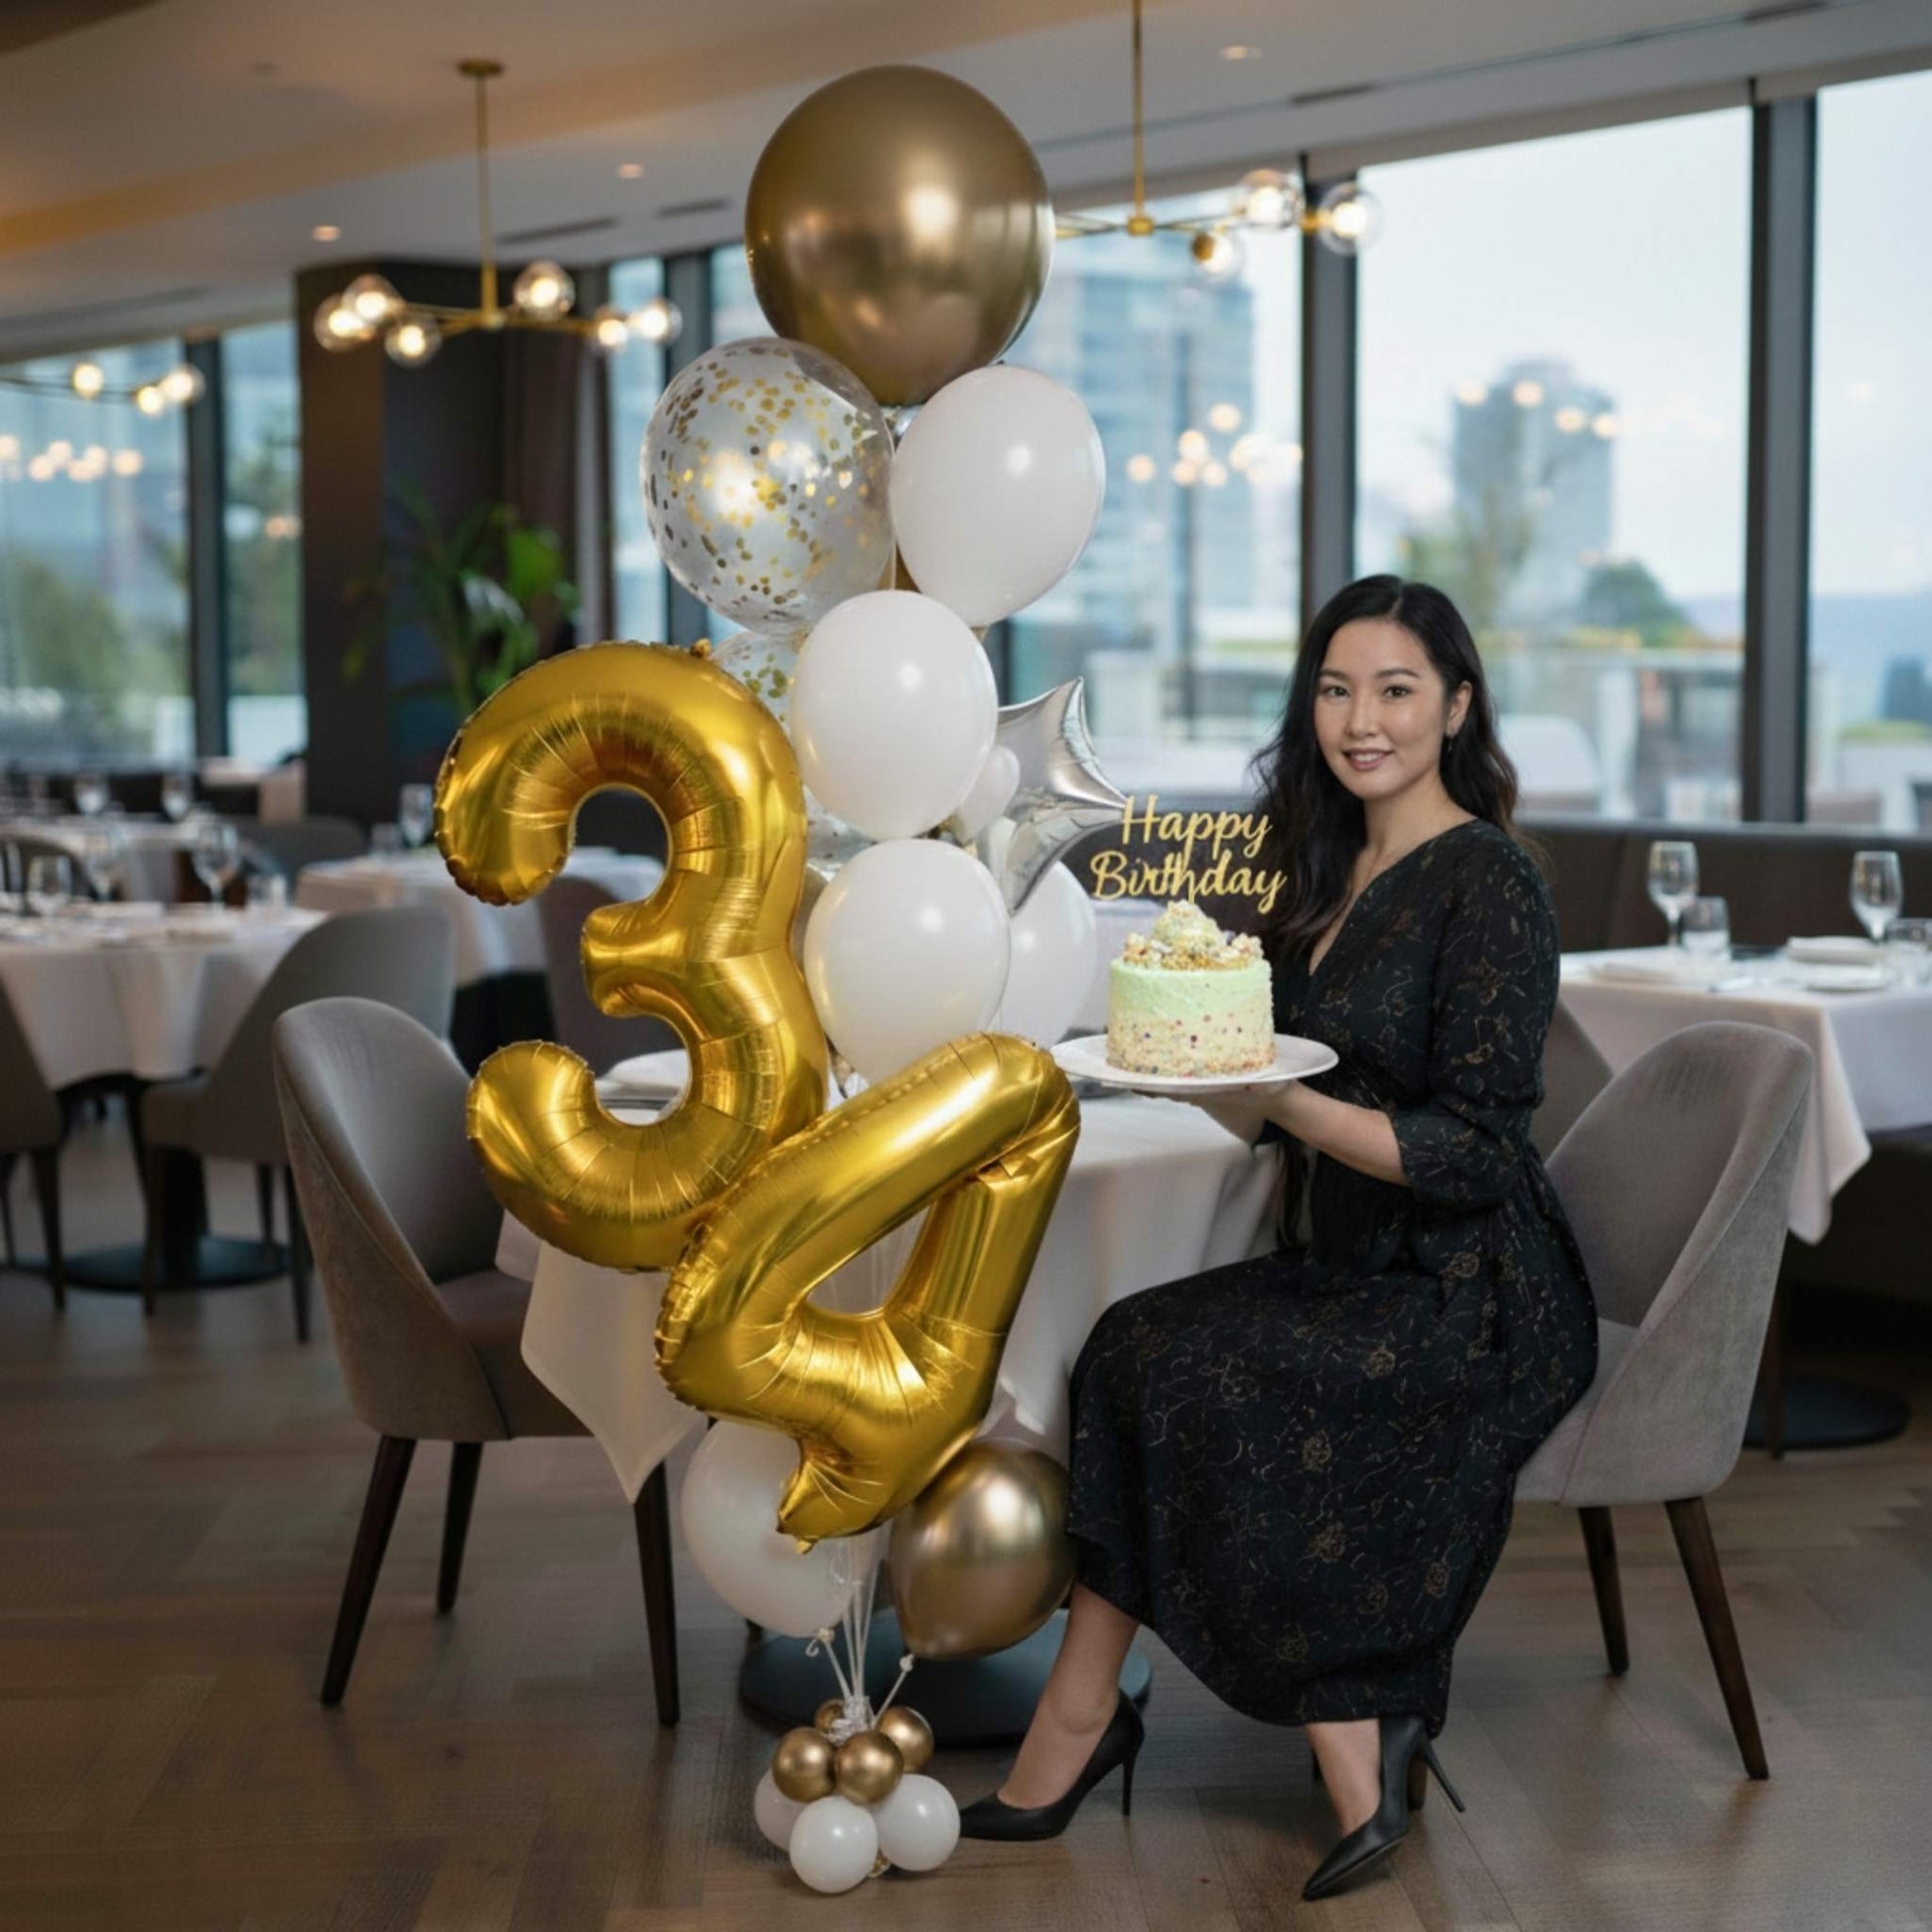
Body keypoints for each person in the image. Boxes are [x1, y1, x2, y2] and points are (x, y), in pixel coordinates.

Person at [959, 575, 1598, 1901]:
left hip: (1468, 1284)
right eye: (1333, 687)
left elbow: (1472, 1155)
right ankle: (1082, 1715)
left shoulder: (1491, 883)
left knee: (1197, 1371)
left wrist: (1274, 1100)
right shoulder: (1328, 861)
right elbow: (1258, 1054)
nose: (1359, 719)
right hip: (1351, 1258)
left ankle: (1349, 1738)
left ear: (1457, 705)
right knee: (1129, 1345)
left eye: (1395, 689)